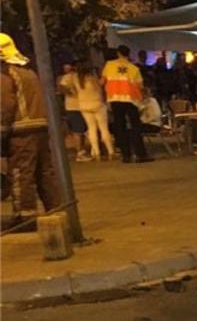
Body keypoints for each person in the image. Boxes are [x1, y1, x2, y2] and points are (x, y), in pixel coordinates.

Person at [0, 33, 64, 223]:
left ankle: (25, 216)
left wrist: (1, 130)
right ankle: (56, 210)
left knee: (21, 173)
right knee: (45, 171)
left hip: (21, 132)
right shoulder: (29, 73)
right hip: (41, 128)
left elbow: (5, 105)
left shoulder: (4, 75)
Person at [103, 44, 151, 163]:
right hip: (131, 100)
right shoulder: (134, 68)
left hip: (115, 99)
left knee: (120, 127)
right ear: (128, 54)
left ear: (118, 53)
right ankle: (140, 154)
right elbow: (140, 86)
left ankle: (126, 155)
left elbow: (103, 81)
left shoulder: (109, 65)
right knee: (135, 127)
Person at [76, 64, 115, 161]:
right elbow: (100, 85)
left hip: (84, 105)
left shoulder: (76, 79)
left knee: (91, 129)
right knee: (103, 128)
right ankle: (110, 151)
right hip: (97, 104)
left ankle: (96, 153)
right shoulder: (92, 78)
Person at [57, 62, 91, 161]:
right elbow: (62, 87)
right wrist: (70, 92)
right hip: (73, 107)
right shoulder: (69, 77)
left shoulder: (81, 77)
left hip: (82, 106)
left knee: (82, 130)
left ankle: (82, 151)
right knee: (77, 131)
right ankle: (79, 153)